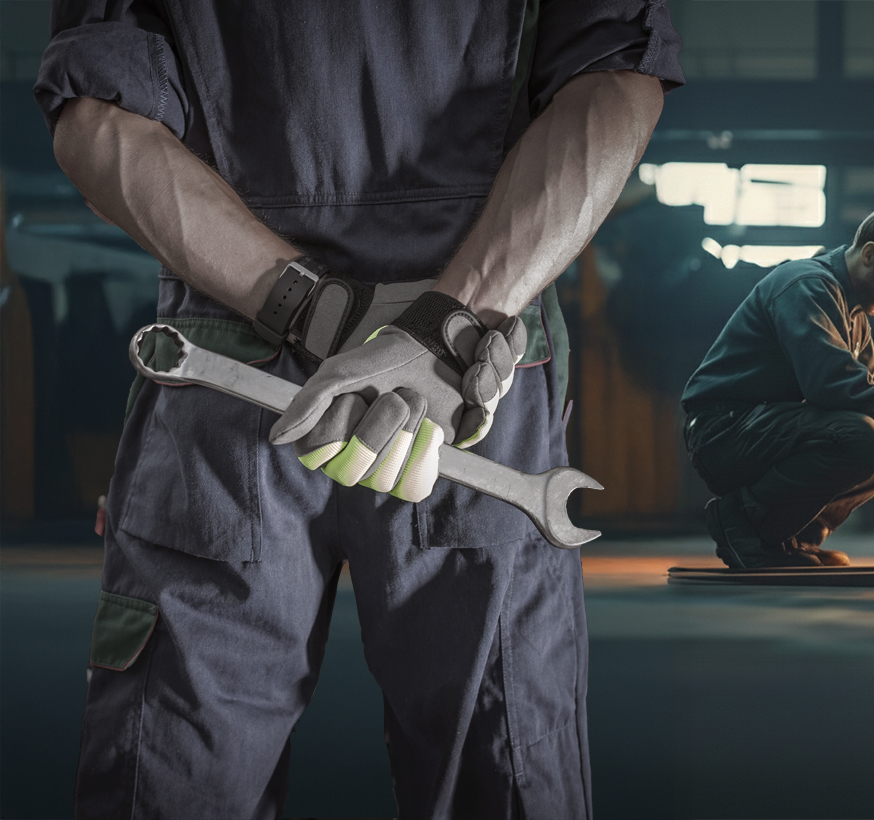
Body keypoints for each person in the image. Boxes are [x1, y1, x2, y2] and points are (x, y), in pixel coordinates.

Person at [34, 1, 682, 817]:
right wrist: (447, 324)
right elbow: (616, 83)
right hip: (473, 374)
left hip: (234, 360)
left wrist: (314, 309)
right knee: (505, 765)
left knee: (171, 773)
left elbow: (97, 115)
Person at [681, 206, 874, 570]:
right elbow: (834, 385)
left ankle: (793, 535)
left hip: (768, 427)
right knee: (863, 436)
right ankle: (741, 523)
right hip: (725, 432)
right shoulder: (806, 285)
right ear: (869, 253)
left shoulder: (853, 313)